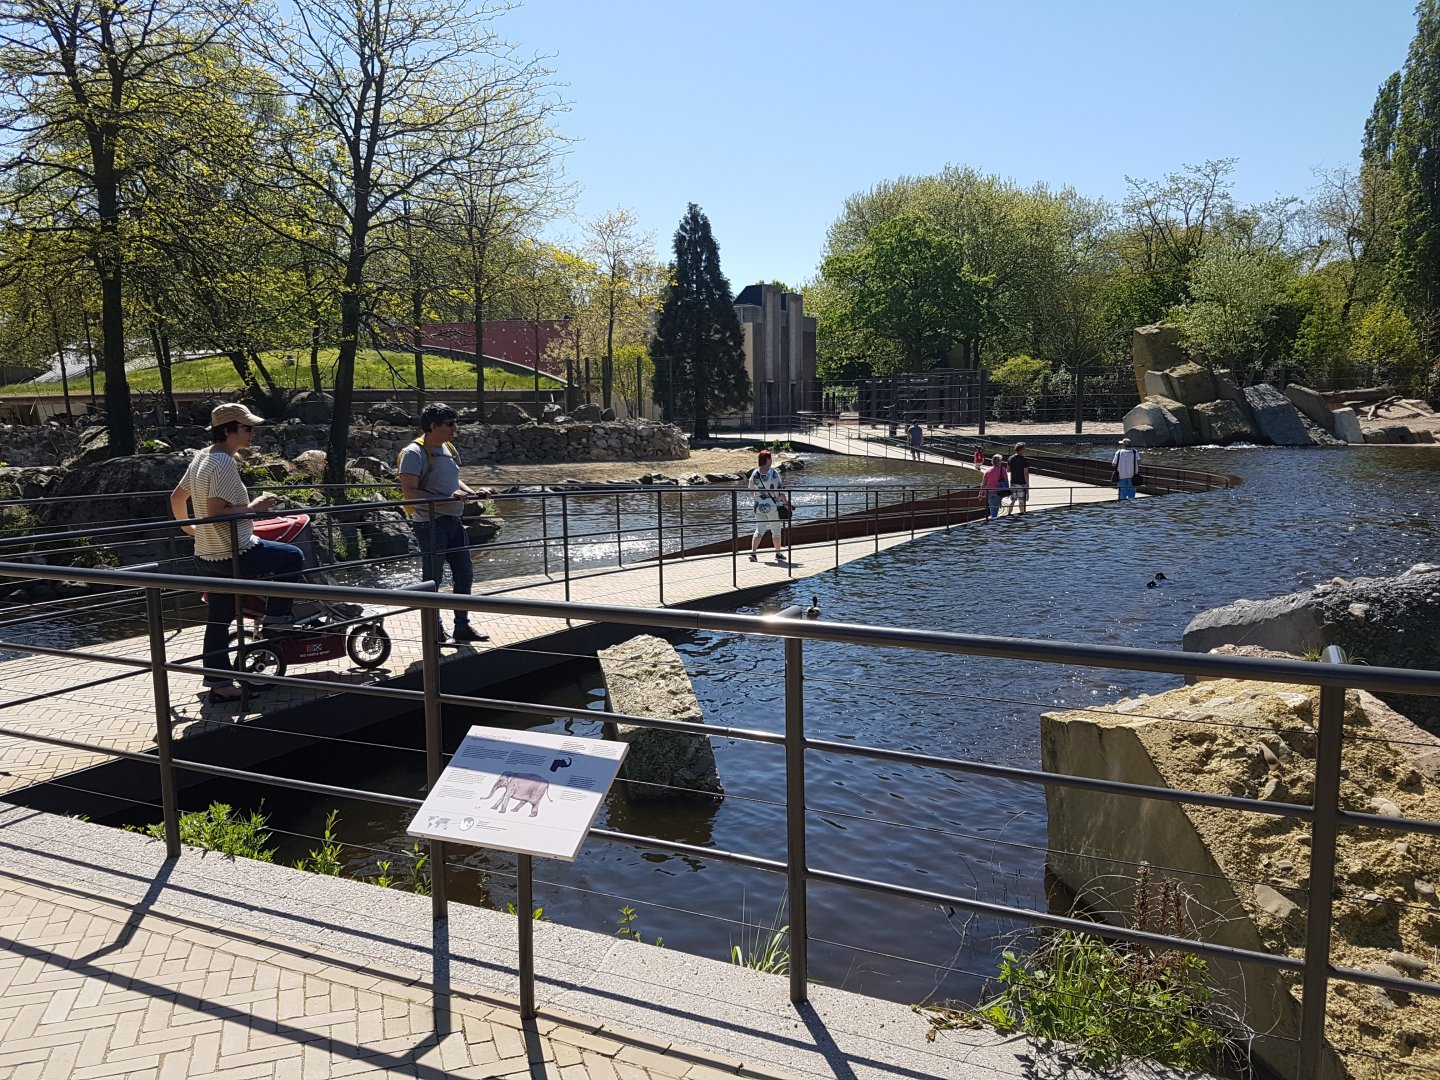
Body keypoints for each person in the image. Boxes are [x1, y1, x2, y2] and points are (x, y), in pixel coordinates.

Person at [170, 403, 305, 703]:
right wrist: (255, 508)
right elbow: (217, 513)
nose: (252, 433)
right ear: (229, 430)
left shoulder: (202, 456)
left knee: (219, 619)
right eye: (247, 428)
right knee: (292, 556)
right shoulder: (223, 464)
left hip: (206, 554)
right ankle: (276, 620)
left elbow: (177, 497)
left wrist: (192, 531)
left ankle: (219, 684)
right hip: (234, 552)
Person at [399, 402, 494, 643]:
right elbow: (409, 492)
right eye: (450, 425)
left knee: (464, 575)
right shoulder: (413, 453)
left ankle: (462, 627)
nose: (455, 429)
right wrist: (447, 498)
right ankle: (434, 629)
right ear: (433, 426)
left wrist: (473, 493)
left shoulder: (447, 448)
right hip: (430, 524)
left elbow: (454, 481)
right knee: (433, 579)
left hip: (453, 522)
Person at [748, 449, 791, 563]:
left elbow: (751, 489)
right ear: (767, 459)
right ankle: (778, 553)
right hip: (772, 506)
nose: (771, 460)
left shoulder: (755, 473)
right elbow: (779, 492)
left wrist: (757, 498)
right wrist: (786, 504)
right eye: (770, 458)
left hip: (758, 506)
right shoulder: (773, 473)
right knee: (776, 530)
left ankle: (753, 553)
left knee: (759, 529)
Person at [1007, 442, 1031, 515]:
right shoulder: (1024, 460)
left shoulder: (1010, 458)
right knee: (1021, 501)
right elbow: (1025, 473)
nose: (1025, 450)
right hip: (1021, 483)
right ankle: (1022, 515)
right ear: (1021, 449)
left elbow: (1008, 470)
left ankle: (1008, 514)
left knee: (1013, 500)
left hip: (1013, 482)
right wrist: (1027, 484)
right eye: (1024, 448)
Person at [982, 453, 1008, 521]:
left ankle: (992, 520)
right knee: (995, 509)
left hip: (988, 492)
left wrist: (980, 493)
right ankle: (993, 522)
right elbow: (1006, 480)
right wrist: (1007, 490)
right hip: (997, 491)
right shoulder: (1003, 470)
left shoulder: (987, 471)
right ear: (999, 461)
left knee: (992, 507)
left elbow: (983, 484)